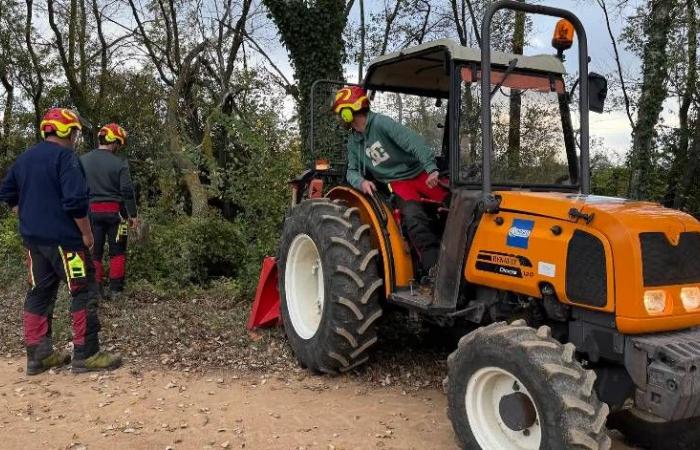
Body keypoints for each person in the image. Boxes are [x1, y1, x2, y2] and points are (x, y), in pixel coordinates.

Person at [0, 107, 123, 375]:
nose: (76, 137)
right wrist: (87, 234)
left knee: (39, 293)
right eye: (75, 131)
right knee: (84, 290)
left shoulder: (24, 158)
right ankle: (86, 354)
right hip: (66, 242)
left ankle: (38, 356)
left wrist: (27, 212)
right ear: (67, 130)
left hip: (34, 242)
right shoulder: (65, 158)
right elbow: (76, 202)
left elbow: (7, 192)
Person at [333, 86, 448, 286]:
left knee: (453, 205)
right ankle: (434, 269)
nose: (339, 118)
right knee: (413, 218)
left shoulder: (381, 123)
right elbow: (351, 171)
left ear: (349, 111)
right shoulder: (354, 141)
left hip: (420, 173)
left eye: (340, 113)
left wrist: (431, 169)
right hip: (398, 183)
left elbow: (414, 142)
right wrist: (361, 182)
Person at [80, 123, 138, 298]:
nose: (118, 147)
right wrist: (133, 215)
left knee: (94, 251)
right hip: (117, 215)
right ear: (113, 141)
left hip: (91, 214)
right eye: (118, 143)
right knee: (118, 251)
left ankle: (96, 289)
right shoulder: (120, 163)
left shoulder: (82, 160)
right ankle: (116, 290)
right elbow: (127, 191)